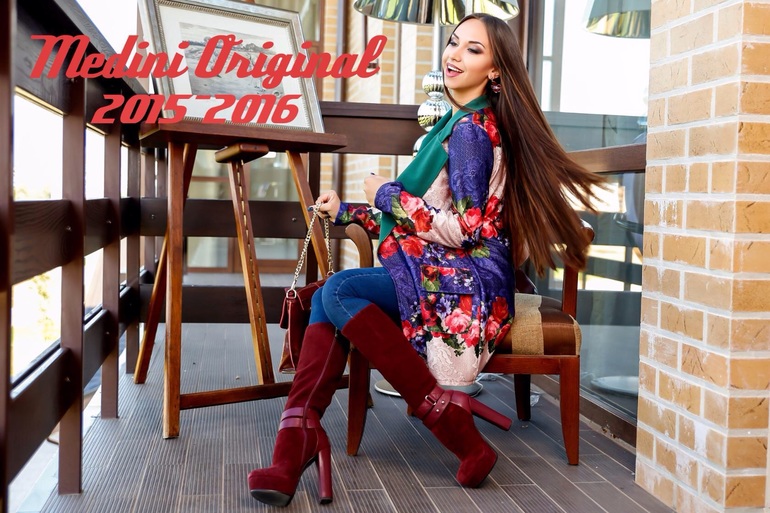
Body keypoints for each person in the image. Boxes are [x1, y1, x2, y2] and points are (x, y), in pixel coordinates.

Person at [247, 13, 605, 507]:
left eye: (473, 49)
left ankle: (423, 432)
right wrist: (348, 211)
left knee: (337, 291)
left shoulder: (471, 132)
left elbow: (465, 229)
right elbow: (422, 219)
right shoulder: (456, 126)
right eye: (454, 42)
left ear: (496, 71)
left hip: (469, 280)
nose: (454, 54)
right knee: (333, 295)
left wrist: (385, 193)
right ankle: (301, 439)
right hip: (443, 269)